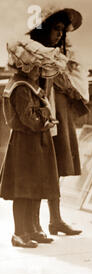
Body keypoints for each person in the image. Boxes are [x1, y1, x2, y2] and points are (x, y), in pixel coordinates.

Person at [27, 6, 90, 236]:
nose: (60, 35)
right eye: (56, 29)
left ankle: (55, 219)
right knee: (37, 167)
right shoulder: (34, 55)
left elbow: (72, 83)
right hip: (40, 114)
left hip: (58, 113)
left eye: (63, 30)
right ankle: (32, 224)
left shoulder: (62, 57)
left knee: (56, 167)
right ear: (44, 30)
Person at [0, 40, 64, 247]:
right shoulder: (21, 88)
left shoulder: (29, 85)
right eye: (37, 67)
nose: (40, 71)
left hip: (35, 143)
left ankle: (34, 229)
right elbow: (27, 118)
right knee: (24, 190)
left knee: (36, 187)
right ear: (25, 67)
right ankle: (20, 233)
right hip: (25, 145)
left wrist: (44, 120)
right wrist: (45, 121)